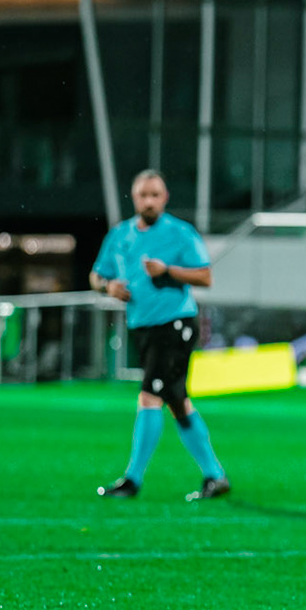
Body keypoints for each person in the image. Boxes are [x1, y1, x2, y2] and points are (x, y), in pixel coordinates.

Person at [90, 170, 232, 501]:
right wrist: (107, 286)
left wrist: (167, 271)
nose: (149, 201)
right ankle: (215, 476)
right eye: (144, 195)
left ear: (165, 198)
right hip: (143, 327)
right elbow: (96, 275)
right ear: (134, 198)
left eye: (155, 195)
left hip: (176, 324)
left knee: (149, 396)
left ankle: (132, 480)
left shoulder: (180, 233)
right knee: (177, 403)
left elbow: (205, 276)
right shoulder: (120, 235)